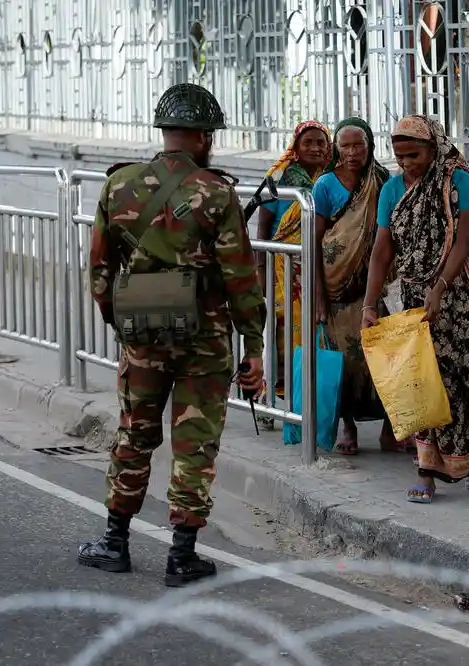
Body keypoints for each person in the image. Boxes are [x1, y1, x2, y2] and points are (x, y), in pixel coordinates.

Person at [78, 82, 266, 586]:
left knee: (134, 433)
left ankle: (114, 542)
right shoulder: (217, 192)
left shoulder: (118, 187)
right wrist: (254, 348)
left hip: (142, 335)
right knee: (194, 442)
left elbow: (99, 270)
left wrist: (123, 320)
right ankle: (182, 556)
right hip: (204, 341)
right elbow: (240, 279)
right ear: (203, 137)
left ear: (165, 132)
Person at [362, 114, 469, 503]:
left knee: (468, 374)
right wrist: (370, 304)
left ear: (434, 146)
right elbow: (383, 249)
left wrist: (440, 287)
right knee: (421, 379)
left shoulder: (458, 179)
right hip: (414, 297)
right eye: (399, 156)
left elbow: (465, 238)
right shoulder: (392, 190)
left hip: (462, 292)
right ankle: (427, 469)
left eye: (413, 154)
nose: (406, 163)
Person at [312, 117, 409, 455]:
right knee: (346, 363)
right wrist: (318, 297)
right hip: (339, 291)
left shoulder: (383, 182)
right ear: (336, 150)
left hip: (379, 287)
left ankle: (391, 430)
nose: (352, 153)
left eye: (359, 146)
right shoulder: (324, 186)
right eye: (345, 146)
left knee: (387, 358)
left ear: (369, 146)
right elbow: (314, 243)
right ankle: (347, 427)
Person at [256, 120, 331, 401]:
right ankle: (273, 392)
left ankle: (307, 393)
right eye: (308, 142)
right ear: (295, 148)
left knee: (315, 332)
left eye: (321, 143)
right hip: (284, 272)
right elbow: (263, 231)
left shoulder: (330, 180)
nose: (314, 148)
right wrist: (261, 272)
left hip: (318, 269)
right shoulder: (278, 180)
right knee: (282, 333)